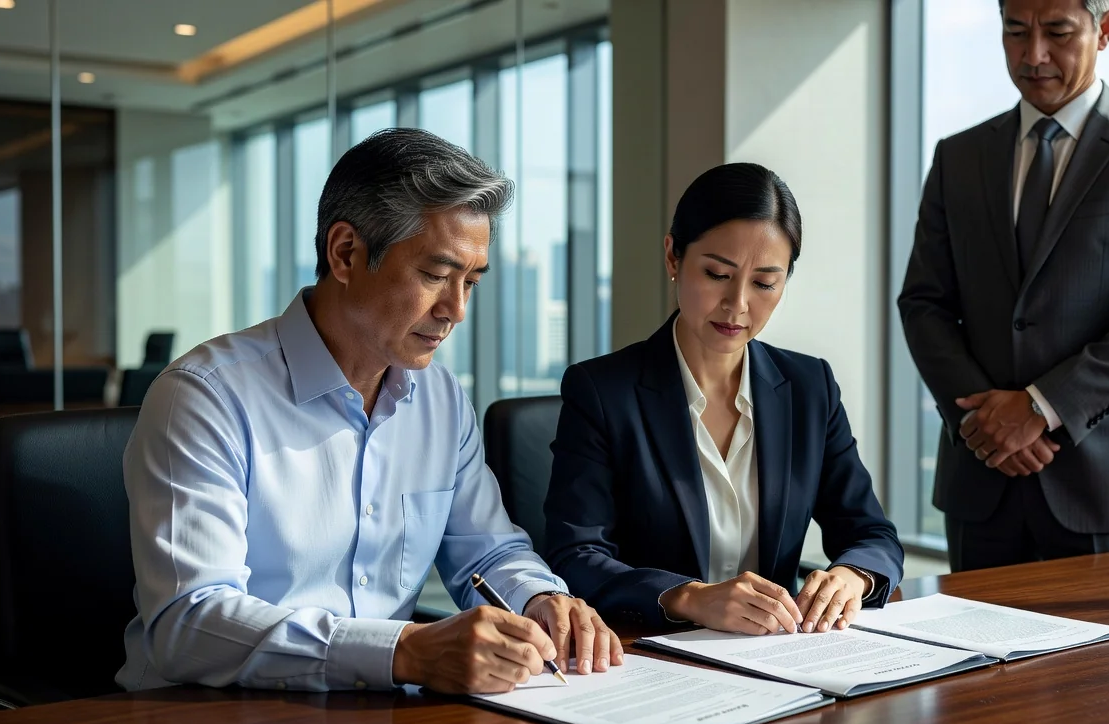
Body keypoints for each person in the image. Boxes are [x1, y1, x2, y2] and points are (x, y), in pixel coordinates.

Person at [118, 128, 621, 694]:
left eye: (471, 283)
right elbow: (191, 622)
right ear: (346, 253)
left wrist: (541, 596)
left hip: (376, 716)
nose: (456, 311)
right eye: (434, 276)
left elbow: (489, 549)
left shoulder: (441, 399)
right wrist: (400, 650)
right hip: (205, 721)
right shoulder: (204, 396)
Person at [898, 0, 1109, 571]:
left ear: (1106, 28)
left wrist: (1041, 409)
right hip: (983, 479)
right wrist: (982, 423)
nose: (1033, 54)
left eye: (1058, 32)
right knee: (978, 661)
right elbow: (924, 303)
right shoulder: (958, 157)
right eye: (1015, 31)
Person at [544, 163, 904, 635]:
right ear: (673, 256)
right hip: (649, 655)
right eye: (717, 274)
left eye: (764, 283)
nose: (737, 305)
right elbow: (575, 556)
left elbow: (871, 533)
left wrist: (854, 576)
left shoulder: (808, 386)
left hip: (777, 657)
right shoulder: (602, 392)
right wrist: (688, 597)